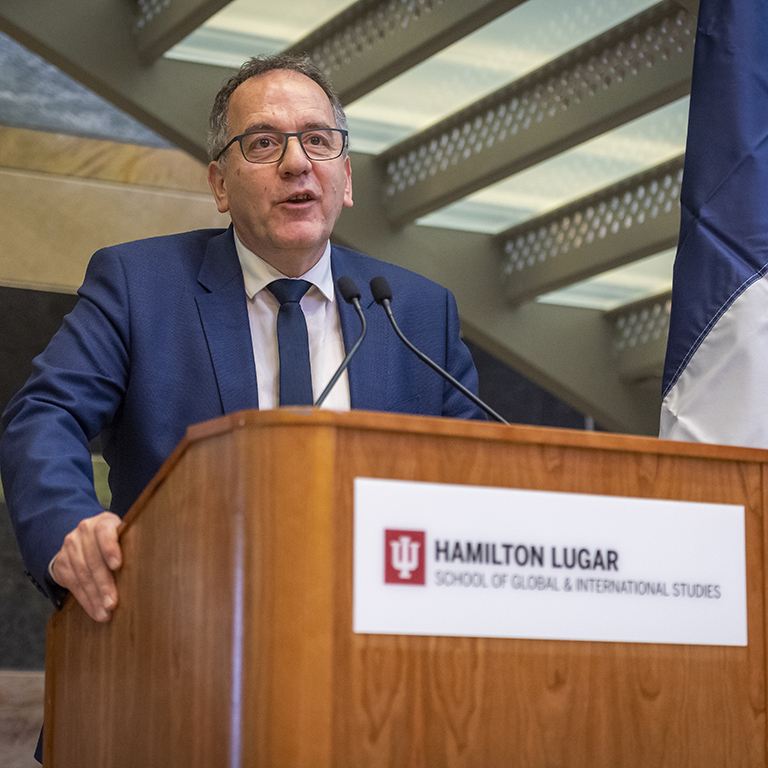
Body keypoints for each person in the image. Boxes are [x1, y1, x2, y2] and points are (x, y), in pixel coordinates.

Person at [0, 54, 485, 630]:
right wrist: (70, 526)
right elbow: (45, 413)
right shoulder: (140, 286)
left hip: (378, 650)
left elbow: (483, 473)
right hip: (176, 635)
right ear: (219, 184)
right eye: (262, 144)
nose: (297, 163)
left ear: (346, 178)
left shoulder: (415, 311)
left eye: (317, 140)